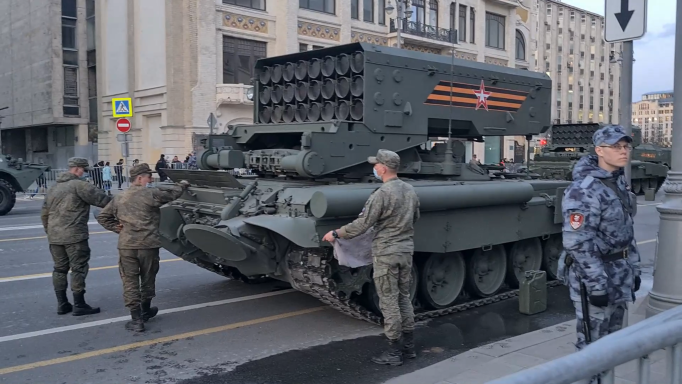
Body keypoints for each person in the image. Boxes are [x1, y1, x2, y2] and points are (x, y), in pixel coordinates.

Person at [557, 125, 641, 382]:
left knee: (613, 343)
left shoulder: (617, 183)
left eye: (626, 146)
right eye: (616, 147)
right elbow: (578, 242)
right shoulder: (584, 190)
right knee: (591, 346)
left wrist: (634, 269)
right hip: (594, 276)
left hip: (619, 273)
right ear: (599, 151)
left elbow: (627, 231)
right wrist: (596, 286)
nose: (623, 151)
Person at [322, 149, 420, 366]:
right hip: (405, 251)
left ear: (383, 168)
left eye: (376, 165)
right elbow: (416, 217)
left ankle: (394, 353)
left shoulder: (381, 195)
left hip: (386, 253)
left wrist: (336, 233)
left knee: (388, 300)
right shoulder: (410, 190)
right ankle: (409, 348)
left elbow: (362, 224)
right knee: (404, 297)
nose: (374, 168)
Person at [96, 163, 190, 332]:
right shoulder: (150, 194)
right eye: (148, 176)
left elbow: (103, 217)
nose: (151, 178)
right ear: (139, 178)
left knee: (130, 281)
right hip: (148, 245)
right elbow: (173, 195)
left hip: (127, 245)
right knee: (148, 278)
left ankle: (136, 319)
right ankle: (146, 310)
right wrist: (182, 184)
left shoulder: (120, 196)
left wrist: (118, 228)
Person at [41, 157, 112, 316]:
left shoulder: (53, 188)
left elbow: (44, 214)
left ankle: (62, 304)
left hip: (55, 237)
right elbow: (104, 201)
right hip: (74, 236)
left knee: (59, 269)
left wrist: (51, 232)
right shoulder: (80, 186)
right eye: (84, 170)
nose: (84, 173)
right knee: (78, 269)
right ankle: (79, 304)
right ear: (78, 169)